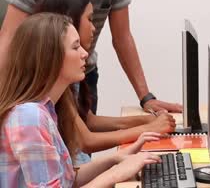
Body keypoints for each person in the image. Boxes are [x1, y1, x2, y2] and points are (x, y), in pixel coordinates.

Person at [0, 0, 182, 114]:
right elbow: (8, 38)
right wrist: (4, 102)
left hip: (83, 73)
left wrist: (146, 97)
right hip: (38, 79)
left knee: (80, 140)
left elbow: (122, 37)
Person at [0, 13, 162, 187]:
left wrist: (116, 159)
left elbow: (69, 180)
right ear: (50, 57)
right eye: (75, 47)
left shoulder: (46, 110)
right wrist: (116, 174)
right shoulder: (29, 117)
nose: (85, 54)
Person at [34, 0, 176, 164]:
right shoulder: (49, 90)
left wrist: (147, 121)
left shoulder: (67, 78)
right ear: (69, 22)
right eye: (89, 19)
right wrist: (149, 128)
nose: (94, 28)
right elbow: (86, 140)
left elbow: (88, 120)